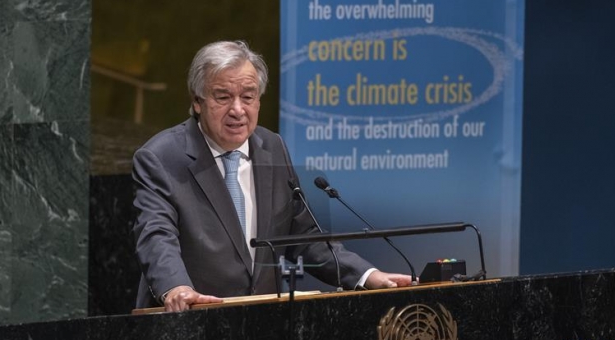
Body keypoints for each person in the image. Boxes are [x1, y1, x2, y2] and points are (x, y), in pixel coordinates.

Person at [132, 40, 412, 312]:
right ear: (197, 101)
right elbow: (156, 234)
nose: (237, 110)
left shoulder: (272, 147)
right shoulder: (162, 157)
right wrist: (176, 288)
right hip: (191, 320)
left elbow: (303, 236)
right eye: (223, 97)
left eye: (248, 97)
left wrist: (367, 275)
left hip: (264, 322)